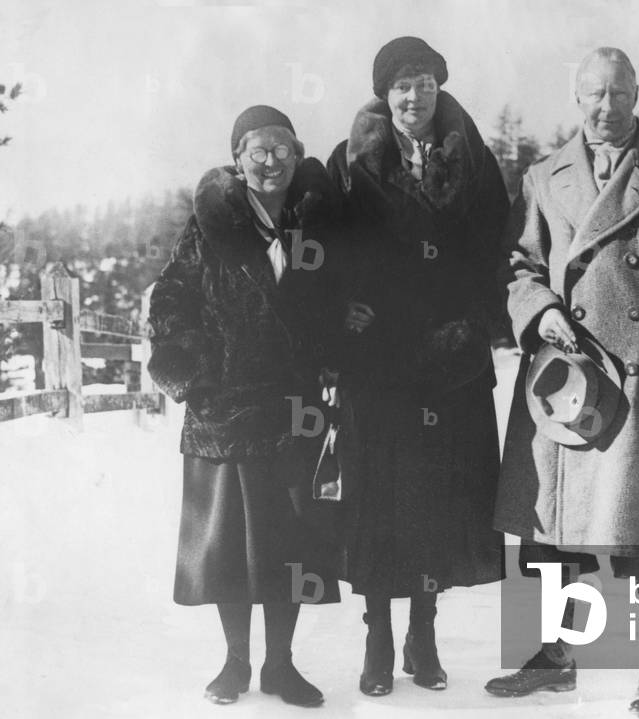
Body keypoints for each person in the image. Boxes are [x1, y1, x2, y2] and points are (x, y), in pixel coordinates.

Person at [486, 48, 639, 717]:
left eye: (618, 94)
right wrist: (539, 313)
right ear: (576, 97)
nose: (606, 107)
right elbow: (518, 263)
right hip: (563, 378)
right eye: (594, 95)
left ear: (636, 94)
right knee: (552, 526)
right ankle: (555, 656)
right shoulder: (544, 177)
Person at [324, 36, 508, 696]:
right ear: (384, 93)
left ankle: (421, 635)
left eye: (424, 81)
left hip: (452, 359)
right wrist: (345, 318)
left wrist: (481, 320)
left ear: (439, 87)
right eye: (401, 84)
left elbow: (497, 244)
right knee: (378, 496)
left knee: (436, 497)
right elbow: (325, 250)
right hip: (376, 366)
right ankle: (376, 636)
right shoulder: (349, 162)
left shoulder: (473, 160)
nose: (413, 95)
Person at [148, 105, 341, 708]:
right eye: (257, 150)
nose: (271, 161)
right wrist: (196, 376)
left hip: (293, 412)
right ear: (237, 159)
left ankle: (280, 666)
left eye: (282, 148)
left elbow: (336, 298)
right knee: (229, 546)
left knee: (288, 543)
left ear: (298, 153)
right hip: (224, 411)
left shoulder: (313, 224)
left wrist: (335, 353)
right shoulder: (211, 223)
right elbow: (170, 299)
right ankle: (235, 664)